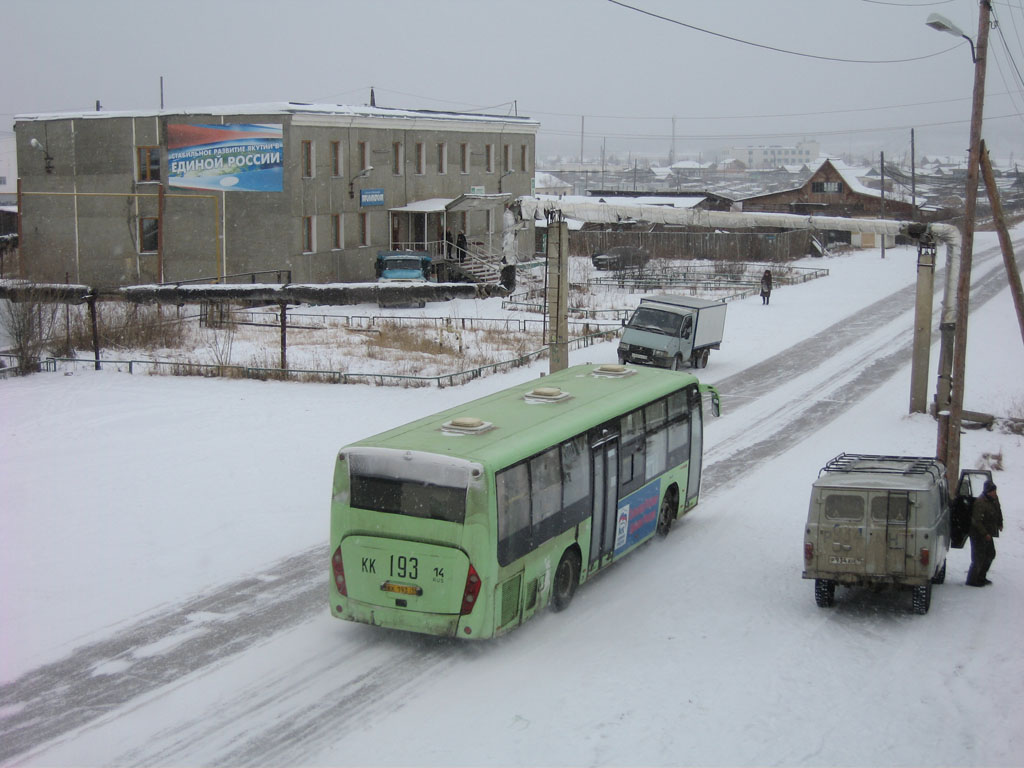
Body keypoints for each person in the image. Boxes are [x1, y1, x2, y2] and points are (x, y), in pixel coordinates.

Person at [966, 480, 1003, 586]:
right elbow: (976, 521)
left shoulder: (994, 500)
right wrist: (984, 533)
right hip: (978, 534)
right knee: (978, 558)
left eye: (995, 491)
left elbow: (998, 510)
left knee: (990, 554)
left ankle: (981, 577)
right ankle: (972, 580)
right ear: (987, 491)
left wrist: (1000, 523)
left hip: (988, 534)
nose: (995, 493)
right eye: (993, 491)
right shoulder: (980, 502)